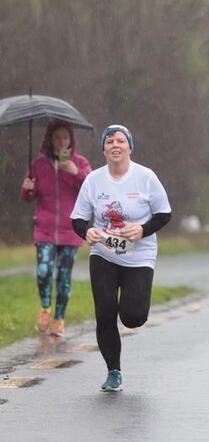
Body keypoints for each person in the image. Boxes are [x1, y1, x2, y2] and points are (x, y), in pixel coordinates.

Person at [71, 125, 172, 392]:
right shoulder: (93, 180)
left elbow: (164, 214)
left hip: (139, 255)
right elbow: (78, 219)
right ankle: (113, 371)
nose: (115, 145)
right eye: (109, 141)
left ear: (130, 147)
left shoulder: (146, 177)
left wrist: (142, 230)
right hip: (104, 254)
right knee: (105, 314)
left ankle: (132, 311)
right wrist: (87, 231)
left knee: (132, 317)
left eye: (120, 141)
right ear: (103, 150)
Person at [19, 120, 92, 337]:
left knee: (63, 276)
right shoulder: (38, 164)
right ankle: (45, 308)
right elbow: (28, 197)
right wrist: (27, 189)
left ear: (71, 141)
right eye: (57, 137)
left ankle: (59, 320)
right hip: (45, 229)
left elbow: (93, 188)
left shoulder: (80, 163)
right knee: (43, 271)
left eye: (65, 137)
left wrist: (75, 172)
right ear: (50, 140)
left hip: (71, 230)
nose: (61, 141)